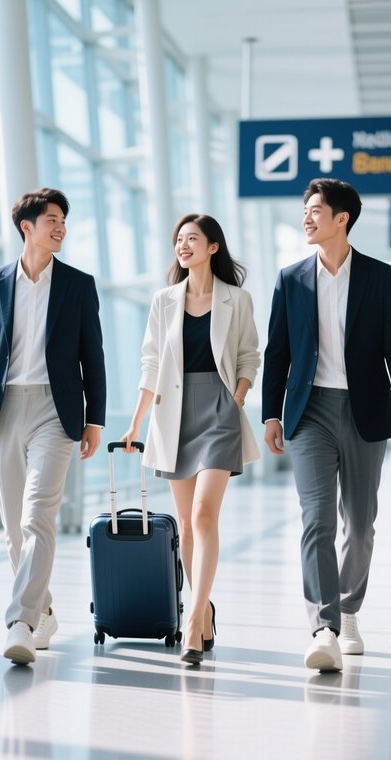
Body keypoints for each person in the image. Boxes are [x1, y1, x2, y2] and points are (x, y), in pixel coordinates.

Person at [262, 177, 391, 673]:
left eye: (314, 210)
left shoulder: (378, 276)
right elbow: (277, 353)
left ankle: (349, 609)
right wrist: (271, 412)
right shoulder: (291, 279)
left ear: (341, 219)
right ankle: (323, 627)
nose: (306, 217)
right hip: (309, 412)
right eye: (305, 210)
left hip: (366, 410)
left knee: (361, 523)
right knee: (317, 519)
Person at [0, 188, 106, 665]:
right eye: (52, 220)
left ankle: (21, 620)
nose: (61, 227)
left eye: (64, 220)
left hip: (56, 412)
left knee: (38, 515)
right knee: (15, 527)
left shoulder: (78, 285)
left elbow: (92, 357)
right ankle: (46, 608)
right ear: (28, 227)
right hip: (4, 408)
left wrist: (95, 418)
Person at [120, 213, 260, 666]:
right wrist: (137, 422)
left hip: (219, 410)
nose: (183, 246)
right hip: (173, 414)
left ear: (213, 247)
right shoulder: (164, 301)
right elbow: (150, 363)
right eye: (179, 239)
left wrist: (236, 398)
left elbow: (247, 355)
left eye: (192, 239)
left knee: (204, 513)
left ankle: (194, 623)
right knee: (184, 525)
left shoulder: (237, 300)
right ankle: (207, 608)